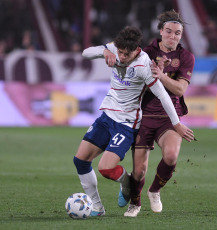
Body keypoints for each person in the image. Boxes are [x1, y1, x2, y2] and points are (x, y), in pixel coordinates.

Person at [73, 26, 194, 216]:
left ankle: (127, 182)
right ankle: (97, 207)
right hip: (107, 116)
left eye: (125, 54)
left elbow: (162, 95)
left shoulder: (144, 65)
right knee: (80, 161)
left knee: (105, 168)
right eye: (119, 52)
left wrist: (176, 123)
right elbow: (86, 53)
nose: (121, 57)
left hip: (127, 124)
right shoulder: (114, 49)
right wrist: (104, 50)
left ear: (137, 50)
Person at [124, 10, 196, 217]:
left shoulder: (185, 57)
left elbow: (180, 90)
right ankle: (135, 203)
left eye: (177, 33)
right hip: (144, 116)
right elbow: (135, 86)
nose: (172, 37)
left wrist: (161, 76)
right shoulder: (145, 53)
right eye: (169, 31)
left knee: (171, 156)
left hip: (169, 117)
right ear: (160, 31)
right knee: (138, 171)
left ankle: (154, 191)